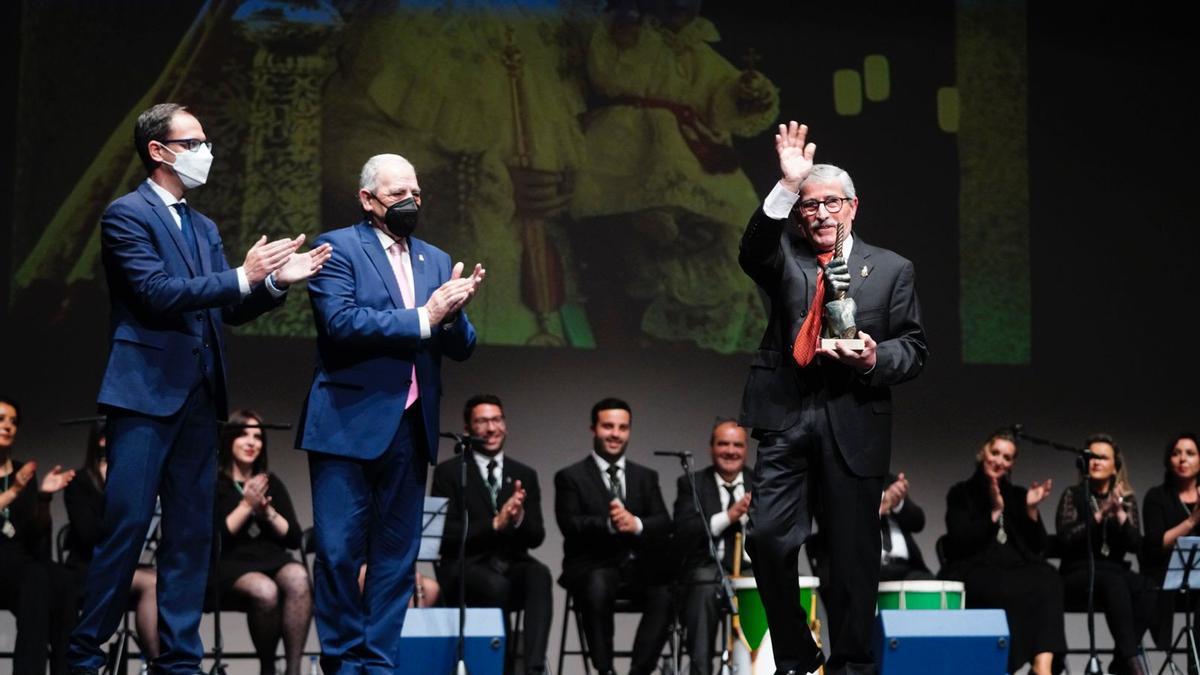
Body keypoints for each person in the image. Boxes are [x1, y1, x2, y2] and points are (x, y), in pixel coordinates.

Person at [67, 102, 331, 675]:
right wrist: (244, 274)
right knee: (127, 529)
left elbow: (226, 309)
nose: (205, 152)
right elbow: (156, 292)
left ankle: (180, 664)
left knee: (190, 538)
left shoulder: (204, 225)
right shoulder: (126, 215)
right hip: (143, 396)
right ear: (158, 151)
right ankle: (85, 657)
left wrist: (271, 286)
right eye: (194, 142)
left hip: (198, 400)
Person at [736, 121, 928, 675]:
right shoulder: (785, 259)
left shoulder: (892, 269)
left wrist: (873, 357)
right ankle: (795, 652)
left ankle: (850, 665)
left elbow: (914, 349)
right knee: (769, 540)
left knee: (851, 562)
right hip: (786, 417)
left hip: (854, 420)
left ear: (852, 207)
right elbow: (752, 251)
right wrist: (786, 185)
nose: (819, 213)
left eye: (831, 203)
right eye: (809, 204)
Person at [296, 152, 483, 673]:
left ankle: (378, 664)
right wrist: (427, 315)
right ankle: (341, 662)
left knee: (397, 562)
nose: (410, 203)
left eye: (416, 194)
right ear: (368, 199)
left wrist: (455, 311)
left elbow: (461, 346)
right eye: (399, 194)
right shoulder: (335, 249)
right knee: (337, 555)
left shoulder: (436, 259)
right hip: (347, 424)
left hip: (411, 426)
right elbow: (342, 324)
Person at [431, 394, 553, 674]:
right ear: (467, 429)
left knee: (539, 574)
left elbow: (537, 537)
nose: (491, 428)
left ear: (505, 425)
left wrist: (518, 518)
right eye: (482, 421)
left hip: (510, 563)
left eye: (496, 420)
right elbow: (444, 535)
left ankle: (533, 668)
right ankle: (501, 669)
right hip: (465, 567)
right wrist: (494, 524)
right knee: (495, 585)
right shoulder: (449, 472)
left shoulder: (524, 474)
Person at [555, 398, 673, 675]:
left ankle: (639, 672)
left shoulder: (646, 476)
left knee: (668, 592)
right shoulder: (570, 476)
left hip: (637, 569)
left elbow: (663, 522)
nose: (615, 434)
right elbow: (570, 524)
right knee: (598, 584)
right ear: (593, 429)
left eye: (623, 427)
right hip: (591, 566)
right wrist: (609, 524)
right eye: (608, 426)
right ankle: (605, 671)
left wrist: (636, 524)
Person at [941, 430, 1065, 675]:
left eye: (1006, 458)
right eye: (995, 452)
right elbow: (958, 541)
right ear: (983, 453)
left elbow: (1039, 546)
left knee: (1049, 579)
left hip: (1016, 567)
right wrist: (995, 512)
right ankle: (1003, 667)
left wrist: (1031, 510)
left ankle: (1043, 668)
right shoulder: (961, 493)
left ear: (1011, 465)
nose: (999, 461)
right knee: (1004, 588)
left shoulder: (1018, 495)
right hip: (974, 568)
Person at [215, 410, 311, 675]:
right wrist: (247, 505)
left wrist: (267, 512)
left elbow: (293, 539)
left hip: (272, 558)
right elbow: (216, 540)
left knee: (299, 577)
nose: (251, 442)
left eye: (257, 436)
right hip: (231, 565)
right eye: (244, 434)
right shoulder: (216, 484)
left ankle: (293, 670)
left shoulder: (271, 483)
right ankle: (268, 668)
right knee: (264, 590)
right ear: (228, 440)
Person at [63, 419, 160, 661]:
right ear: (102, 440)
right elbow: (87, 535)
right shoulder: (80, 483)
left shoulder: (137, 479)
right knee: (152, 582)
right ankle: (158, 662)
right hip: (88, 566)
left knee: (161, 578)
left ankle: (162, 660)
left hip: (124, 566)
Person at [1055, 433, 1150, 675]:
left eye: (1102, 458)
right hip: (1078, 572)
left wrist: (1119, 514)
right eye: (1092, 457)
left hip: (1114, 571)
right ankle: (1132, 663)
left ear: (1114, 466)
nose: (1096, 462)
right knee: (1113, 581)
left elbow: (1135, 545)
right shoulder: (1073, 495)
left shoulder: (1126, 499)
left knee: (1147, 588)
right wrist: (1099, 515)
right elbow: (1066, 539)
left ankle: (1120, 659)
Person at [0, 395, 78, 675]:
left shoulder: (23, 472)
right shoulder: (18, 482)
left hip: (20, 563)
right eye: (1, 420)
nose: (8, 426)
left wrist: (44, 497)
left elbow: (35, 533)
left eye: (13, 422)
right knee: (36, 577)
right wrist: (15, 491)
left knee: (63, 580)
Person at [672, 418, 755, 675]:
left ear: (746, 449)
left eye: (737, 445)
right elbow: (684, 532)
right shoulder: (692, 483)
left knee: (769, 588)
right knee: (704, 586)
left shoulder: (763, 482)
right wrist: (729, 516)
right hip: (707, 567)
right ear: (711, 448)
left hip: (753, 570)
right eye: (723, 444)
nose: (730, 451)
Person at [1141, 432, 1200, 652]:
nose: (1183, 459)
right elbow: (1156, 544)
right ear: (1168, 460)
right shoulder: (1157, 496)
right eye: (1176, 454)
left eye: (1190, 453)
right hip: (1166, 573)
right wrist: (1193, 520)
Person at [878, 473, 934, 581]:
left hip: (905, 568)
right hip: (869, 567)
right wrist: (881, 501)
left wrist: (897, 504)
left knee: (930, 585)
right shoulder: (851, 482)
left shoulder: (889, 480)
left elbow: (918, 522)